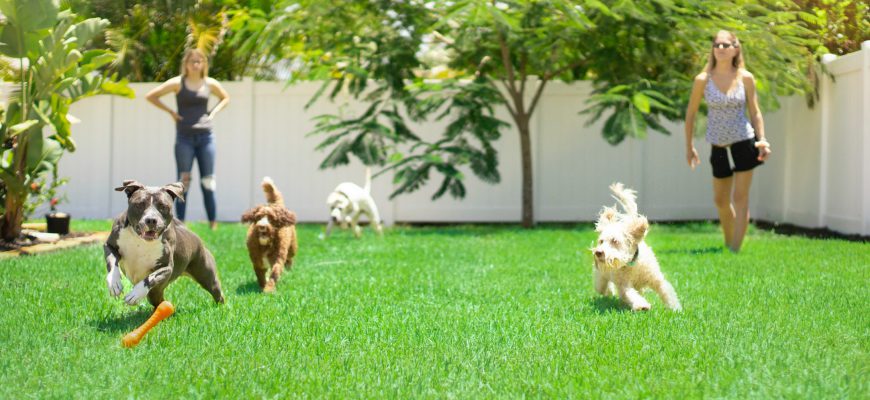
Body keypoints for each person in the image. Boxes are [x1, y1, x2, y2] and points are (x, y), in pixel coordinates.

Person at [684, 30, 772, 253]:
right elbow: (691, 114)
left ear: (736, 49)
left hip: (744, 141)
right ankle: (728, 239)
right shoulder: (703, 80)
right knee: (721, 200)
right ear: (713, 49)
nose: (721, 49)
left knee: (740, 197)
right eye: (717, 45)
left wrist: (762, 140)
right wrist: (689, 146)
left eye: (726, 45)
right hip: (718, 145)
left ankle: (735, 249)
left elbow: (755, 112)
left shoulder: (746, 78)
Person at [146, 48, 230, 230]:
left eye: (199, 61)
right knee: (183, 183)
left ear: (204, 64)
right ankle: (181, 224)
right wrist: (171, 113)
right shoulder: (178, 83)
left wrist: (213, 113)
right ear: (186, 64)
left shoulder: (209, 84)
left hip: (206, 138)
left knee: (208, 181)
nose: (195, 64)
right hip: (184, 138)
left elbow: (225, 98)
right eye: (192, 61)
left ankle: (213, 224)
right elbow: (151, 96)